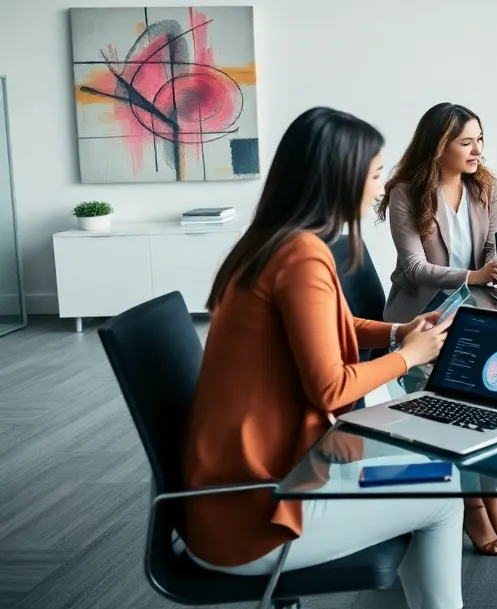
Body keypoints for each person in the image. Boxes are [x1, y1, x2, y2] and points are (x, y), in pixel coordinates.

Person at [182, 107, 464, 609]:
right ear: (341, 177)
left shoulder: (273, 243)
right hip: (256, 514)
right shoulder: (300, 254)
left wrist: (400, 330)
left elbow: (333, 326)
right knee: (445, 491)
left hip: (229, 494)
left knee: (425, 462)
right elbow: (330, 389)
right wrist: (406, 357)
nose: (380, 189)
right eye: (375, 175)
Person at [376, 102, 497, 556]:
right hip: (424, 313)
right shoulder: (406, 192)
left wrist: (496, 270)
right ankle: (472, 508)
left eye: (480, 139)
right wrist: (473, 276)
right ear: (439, 147)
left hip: (477, 306)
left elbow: (496, 244)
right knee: (460, 404)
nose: (477, 150)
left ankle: (491, 499)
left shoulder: (485, 185)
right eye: (466, 142)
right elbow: (414, 268)